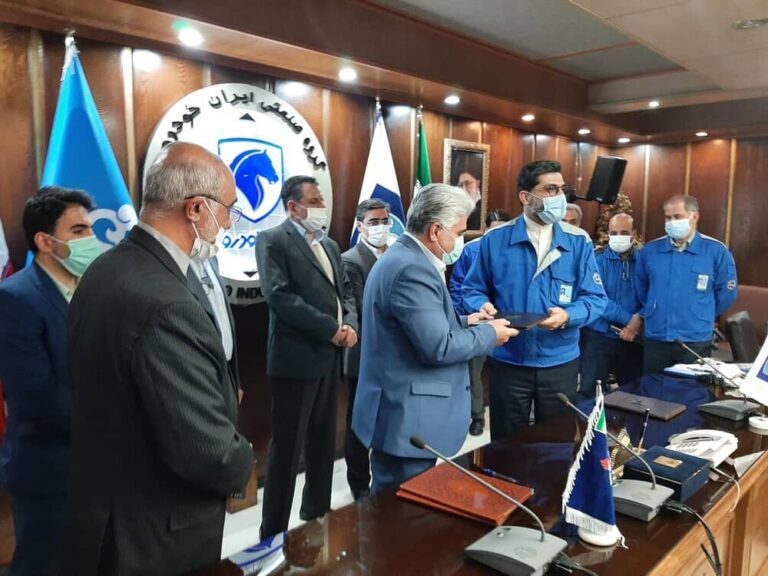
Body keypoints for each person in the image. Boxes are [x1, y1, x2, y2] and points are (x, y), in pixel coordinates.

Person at [63, 142, 253, 575]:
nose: (229, 224)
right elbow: (209, 454)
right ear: (196, 209)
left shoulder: (104, 269)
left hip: (105, 510)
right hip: (152, 534)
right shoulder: (167, 304)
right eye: (228, 210)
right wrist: (245, 459)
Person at [352, 184, 518, 493]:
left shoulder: (404, 257)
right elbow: (439, 347)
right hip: (406, 419)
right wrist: (489, 334)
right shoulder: (412, 269)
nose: (459, 241)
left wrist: (468, 321)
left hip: (402, 412)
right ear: (436, 230)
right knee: (400, 509)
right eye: (459, 232)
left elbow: (418, 325)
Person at [462, 160, 607, 439]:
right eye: (550, 189)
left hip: (559, 361)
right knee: (507, 444)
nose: (559, 197)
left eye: (561, 189)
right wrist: (480, 305)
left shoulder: (578, 241)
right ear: (526, 197)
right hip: (508, 361)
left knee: (556, 444)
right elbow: (471, 289)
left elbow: (595, 298)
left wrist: (568, 316)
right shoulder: (495, 239)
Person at [0, 186, 98, 576]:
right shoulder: (15, 298)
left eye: (90, 229)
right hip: (48, 469)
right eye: (78, 231)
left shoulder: (92, 290)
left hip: (96, 465)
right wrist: (111, 423)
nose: (91, 239)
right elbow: (37, 396)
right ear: (44, 241)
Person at [256, 175, 358, 539]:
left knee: (322, 444)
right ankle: (273, 534)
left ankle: (316, 514)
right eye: (314, 202)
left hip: (330, 359)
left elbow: (345, 292)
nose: (321, 208)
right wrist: (330, 328)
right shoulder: (272, 240)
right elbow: (279, 296)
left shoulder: (329, 244)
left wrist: (350, 324)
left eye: (321, 201)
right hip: (295, 361)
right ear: (292, 207)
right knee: (287, 451)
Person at [636, 195, 738, 375]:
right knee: (652, 389)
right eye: (668, 218)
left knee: (691, 390)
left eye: (677, 216)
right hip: (657, 336)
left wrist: (702, 313)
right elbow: (642, 288)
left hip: (695, 338)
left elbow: (726, 293)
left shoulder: (716, 251)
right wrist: (654, 308)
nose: (671, 222)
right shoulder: (651, 251)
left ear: (694, 217)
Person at [341, 198, 391, 500]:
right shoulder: (351, 260)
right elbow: (359, 308)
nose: (381, 227)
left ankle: (385, 477)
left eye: (385, 221)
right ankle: (359, 483)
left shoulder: (397, 253)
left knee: (389, 419)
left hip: (395, 356)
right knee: (359, 422)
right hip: (364, 354)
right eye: (373, 222)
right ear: (360, 226)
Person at [448, 208, 512, 436]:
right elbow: (457, 287)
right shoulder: (471, 250)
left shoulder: (516, 249)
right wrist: (465, 319)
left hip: (509, 324)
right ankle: (477, 417)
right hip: (478, 321)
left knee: (508, 375)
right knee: (473, 375)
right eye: (494, 229)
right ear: (486, 229)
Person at [579, 213, 643, 397]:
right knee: (589, 392)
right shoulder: (596, 260)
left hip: (634, 338)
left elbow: (651, 296)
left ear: (633, 234)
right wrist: (629, 320)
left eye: (624, 232)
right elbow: (598, 297)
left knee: (634, 395)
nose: (618, 237)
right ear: (608, 234)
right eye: (614, 233)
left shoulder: (644, 261)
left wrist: (638, 321)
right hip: (600, 336)